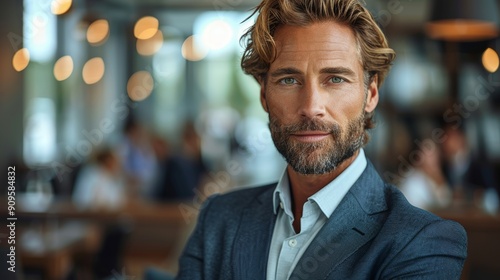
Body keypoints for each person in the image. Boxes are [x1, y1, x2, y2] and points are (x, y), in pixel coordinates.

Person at [176, 0, 467, 279]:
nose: (311, 106)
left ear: (371, 94)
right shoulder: (218, 221)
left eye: (335, 79)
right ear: (264, 95)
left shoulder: (423, 241)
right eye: (289, 80)